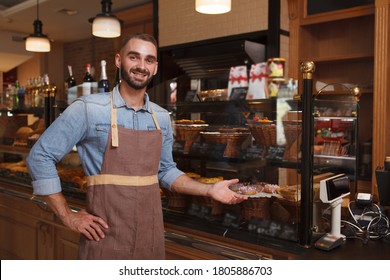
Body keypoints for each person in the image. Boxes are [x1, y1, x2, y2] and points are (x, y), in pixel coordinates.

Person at [26, 33, 247, 260]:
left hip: (149, 239)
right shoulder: (88, 109)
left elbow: (165, 171)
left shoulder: (160, 117)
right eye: (134, 57)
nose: (141, 66)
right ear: (119, 60)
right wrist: (67, 216)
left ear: (155, 67)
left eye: (149, 60)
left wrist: (208, 189)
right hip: (103, 238)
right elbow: (39, 157)